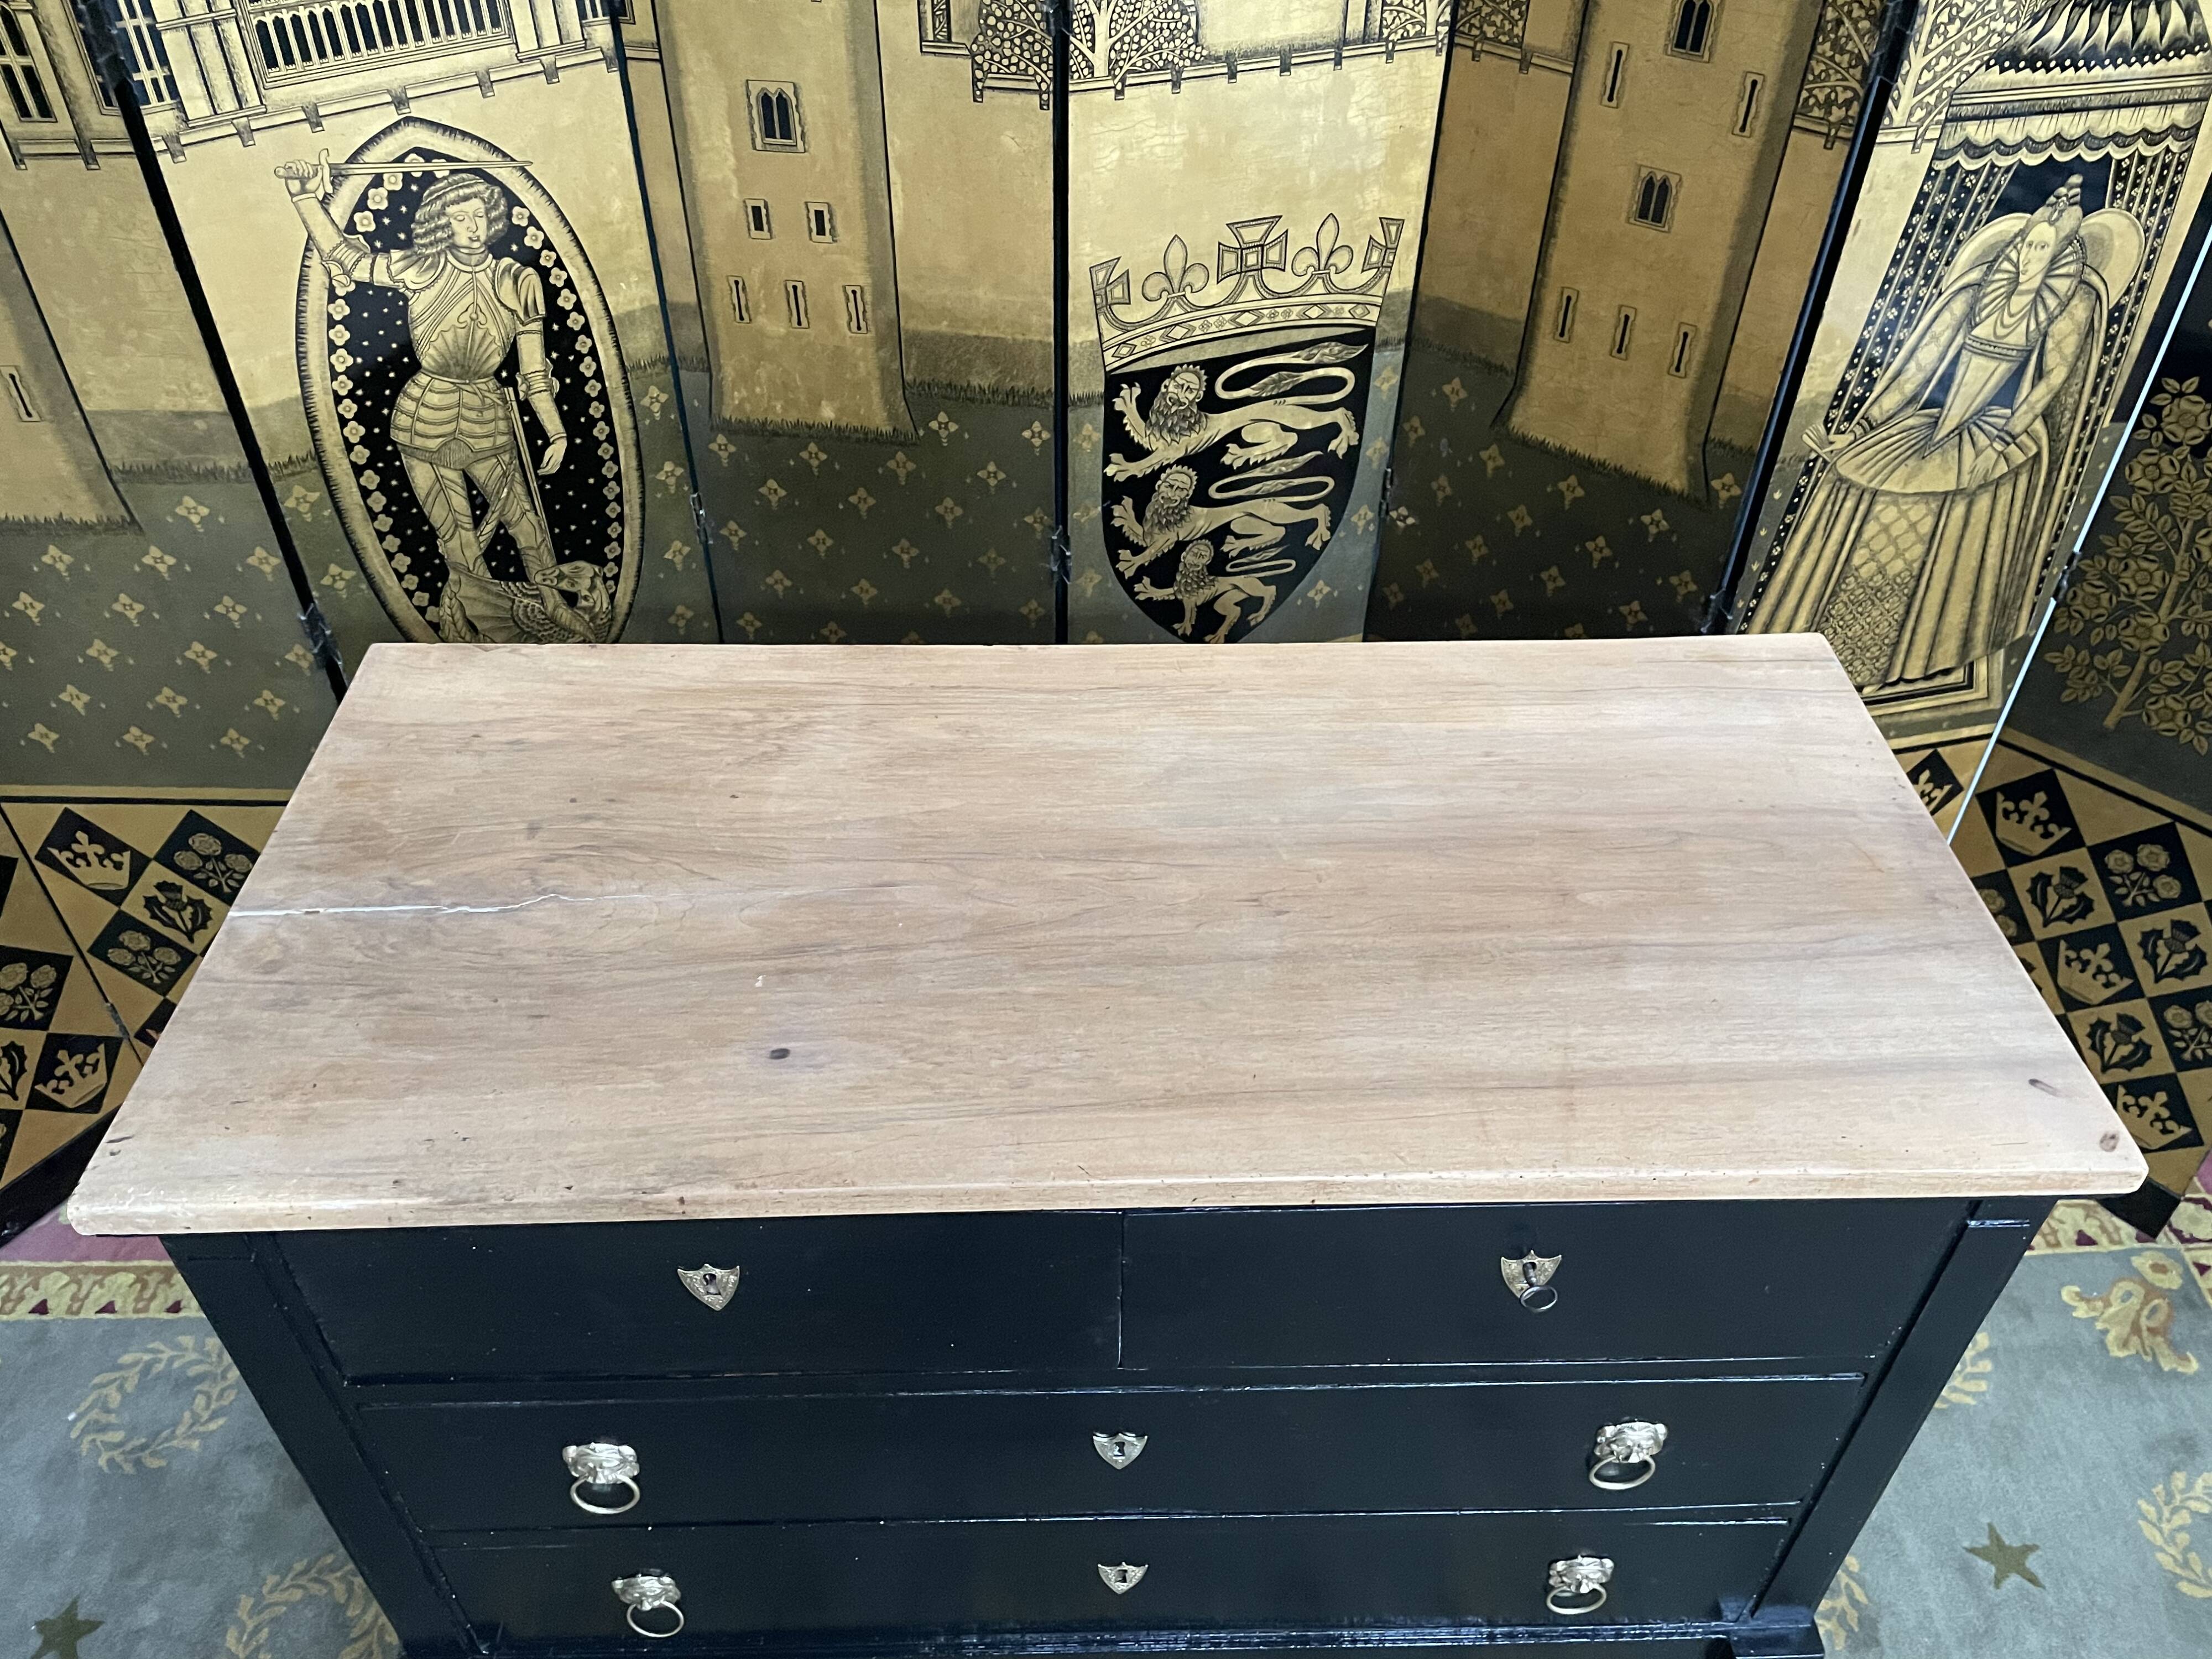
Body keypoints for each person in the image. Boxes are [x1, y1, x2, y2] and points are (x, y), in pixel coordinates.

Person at [1759, 176, 2131, 687]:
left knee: (1949, 506)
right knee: (1860, 482)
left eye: (2042, 248)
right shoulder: (1978, 293)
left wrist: (2001, 443)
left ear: (2059, 258)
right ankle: (1831, 649)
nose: (2028, 256)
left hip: (2002, 435)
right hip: (1935, 429)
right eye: (2026, 244)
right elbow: (1915, 371)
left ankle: (1915, 659)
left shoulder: (2067, 306)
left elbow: (2051, 382)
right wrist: (1863, 430)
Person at [276, 152, 607, 642]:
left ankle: (554, 607)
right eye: (459, 217)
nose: (472, 227)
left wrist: (556, 432)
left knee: (526, 524)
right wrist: (305, 198)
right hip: (423, 417)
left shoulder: (518, 279)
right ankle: (481, 631)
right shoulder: (421, 267)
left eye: (479, 215)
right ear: (442, 223)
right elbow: (346, 259)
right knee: (457, 536)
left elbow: (535, 372)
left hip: (488, 413)